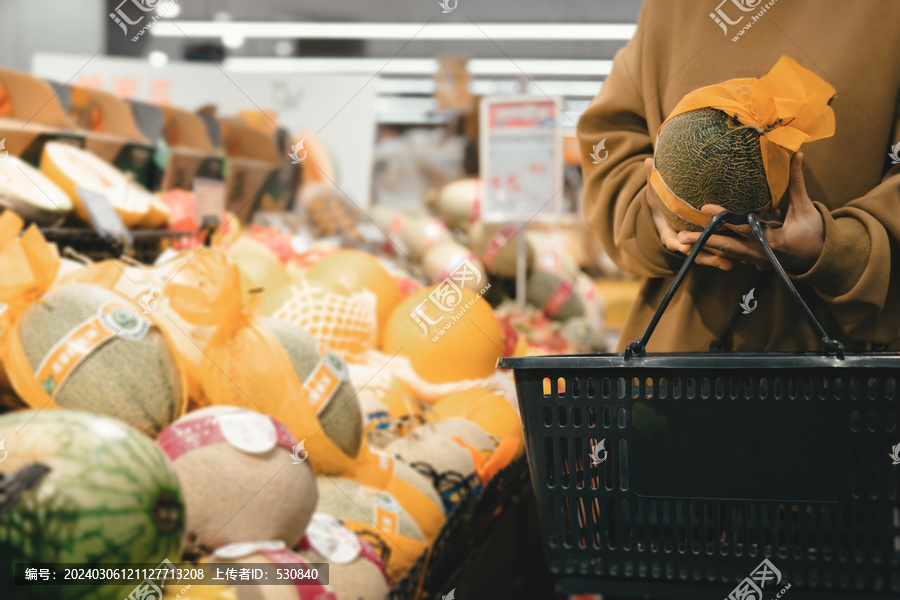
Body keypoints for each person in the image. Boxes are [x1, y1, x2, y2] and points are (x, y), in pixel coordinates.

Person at [578, 0, 900, 353]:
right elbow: (607, 139)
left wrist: (836, 250)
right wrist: (654, 212)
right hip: (679, 358)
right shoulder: (669, 7)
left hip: (845, 372)